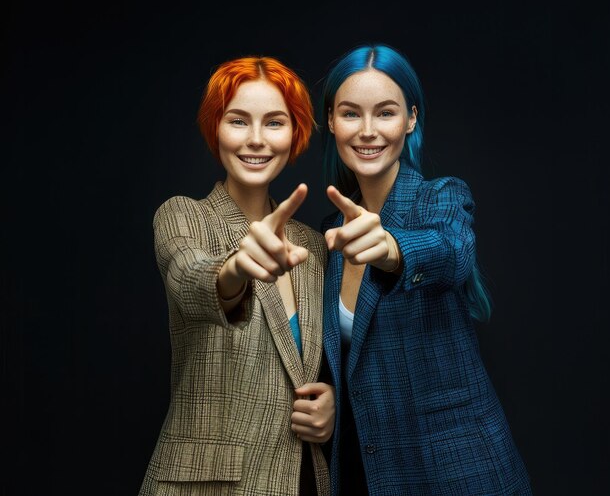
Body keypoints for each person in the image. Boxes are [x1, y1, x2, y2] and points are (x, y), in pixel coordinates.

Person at [319, 43, 532, 495]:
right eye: (352, 114)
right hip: (368, 472)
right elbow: (355, 364)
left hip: (459, 471)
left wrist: (393, 248)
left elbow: (451, 250)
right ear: (332, 121)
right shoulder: (329, 232)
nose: (368, 131)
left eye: (386, 113)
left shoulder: (442, 197)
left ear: (411, 120)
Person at [139, 56, 334, 496]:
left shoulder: (313, 246)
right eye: (238, 121)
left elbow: (321, 367)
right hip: (207, 485)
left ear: (296, 132)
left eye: (275, 122)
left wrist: (331, 408)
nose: (256, 140)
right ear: (216, 128)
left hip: (301, 481)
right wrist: (234, 269)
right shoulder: (183, 215)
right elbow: (188, 275)